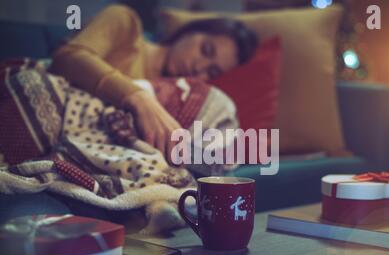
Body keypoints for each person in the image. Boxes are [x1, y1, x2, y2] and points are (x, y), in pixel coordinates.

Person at [50, 4, 258, 160]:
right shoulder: (125, 24)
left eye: (211, 71)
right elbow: (67, 56)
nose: (199, 68)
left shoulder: (176, 102)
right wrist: (139, 99)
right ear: (190, 31)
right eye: (205, 50)